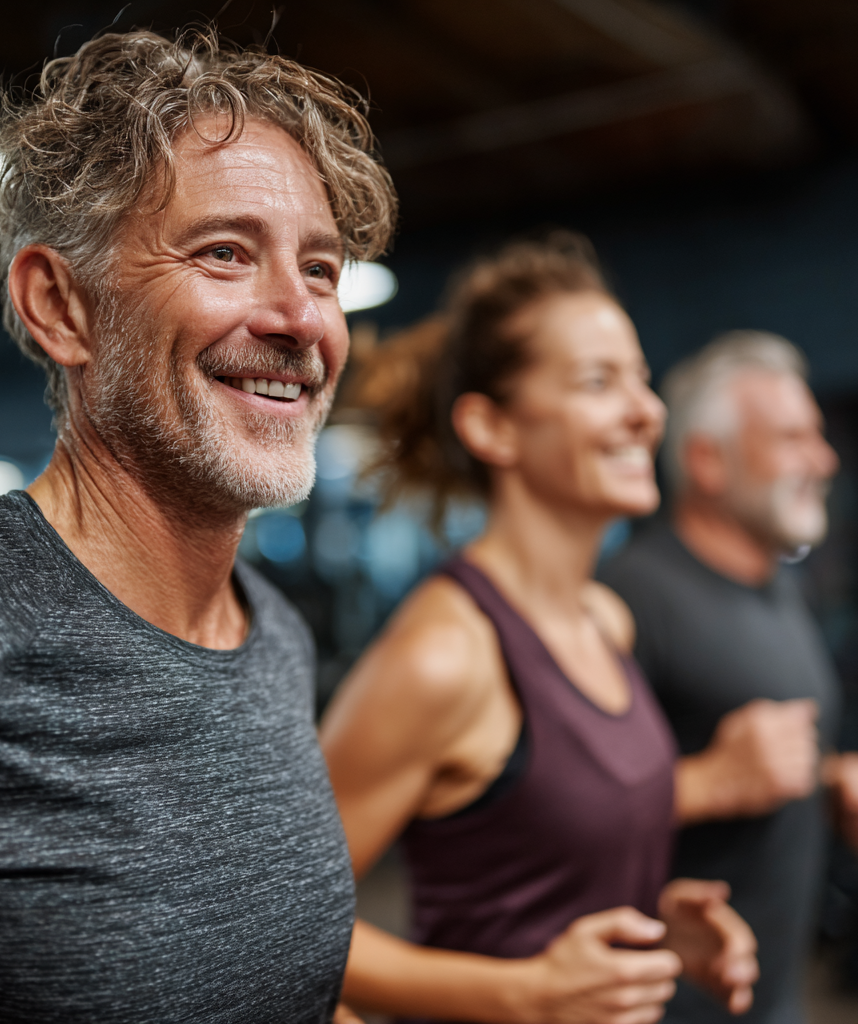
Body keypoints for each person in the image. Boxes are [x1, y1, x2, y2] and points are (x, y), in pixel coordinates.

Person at [0, 28, 397, 1024]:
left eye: (320, 269)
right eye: (226, 252)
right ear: (60, 306)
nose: (300, 318)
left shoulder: (269, 632)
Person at [320, 234, 758, 1024]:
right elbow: (278, 926)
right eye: (600, 382)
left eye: (643, 381)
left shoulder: (604, 621)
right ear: (493, 428)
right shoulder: (444, 656)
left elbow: (535, 877)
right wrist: (523, 995)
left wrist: (662, 937)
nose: (647, 412)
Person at [600, 331, 858, 1024]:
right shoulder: (631, 598)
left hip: (773, 994)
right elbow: (555, 812)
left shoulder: (778, 583)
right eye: (793, 438)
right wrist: (706, 782)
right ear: (707, 461)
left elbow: (767, 749)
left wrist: (831, 781)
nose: (824, 457)